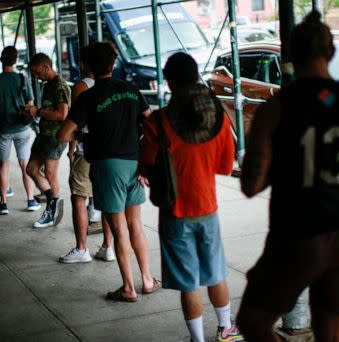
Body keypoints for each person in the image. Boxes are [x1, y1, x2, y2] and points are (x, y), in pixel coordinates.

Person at [236, 11, 339, 342]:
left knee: (253, 323)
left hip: (295, 236)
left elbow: (250, 185)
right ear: (331, 54)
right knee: (331, 336)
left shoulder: (275, 109)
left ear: (289, 56)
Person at [139, 52, 243, 342]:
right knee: (216, 273)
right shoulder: (218, 116)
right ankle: (226, 330)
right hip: (207, 208)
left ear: (169, 82)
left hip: (174, 212)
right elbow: (225, 166)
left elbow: (145, 164)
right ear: (196, 75)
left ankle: (197, 339)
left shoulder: (158, 122)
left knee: (188, 283)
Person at [57, 42, 159, 302]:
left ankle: (128, 288)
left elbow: (63, 134)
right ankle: (147, 279)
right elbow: (151, 123)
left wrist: (84, 132)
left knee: (118, 227)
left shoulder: (87, 97)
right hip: (133, 163)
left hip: (107, 165)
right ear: (113, 64)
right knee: (135, 223)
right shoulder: (130, 89)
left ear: (87, 66)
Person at [58, 45, 115, 264]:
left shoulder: (81, 87)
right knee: (105, 201)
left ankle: (82, 248)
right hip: (108, 152)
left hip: (87, 151)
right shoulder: (115, 87)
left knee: (79, 198)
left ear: (85, 64)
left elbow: (74, 123)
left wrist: (73, 147)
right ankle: (107, 247)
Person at [0, 46, 41, 214]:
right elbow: (30, 105)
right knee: (25, 164)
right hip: (22, 128)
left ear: (1, 59)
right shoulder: (22, 79)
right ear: (15, 60)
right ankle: (31, 200)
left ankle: (3, 203)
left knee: (4, 164)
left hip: (3, 128)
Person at [24, 53, 70, 228]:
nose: (37, 77)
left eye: (38, 73)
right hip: (44, 133)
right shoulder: (48, 84)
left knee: (50, 173)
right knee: (31, 168)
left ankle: (52, 212)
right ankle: (53, 200)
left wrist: (38, 112)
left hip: (55, 136)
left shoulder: (59, 85)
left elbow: (62, 114)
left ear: (46, 67)